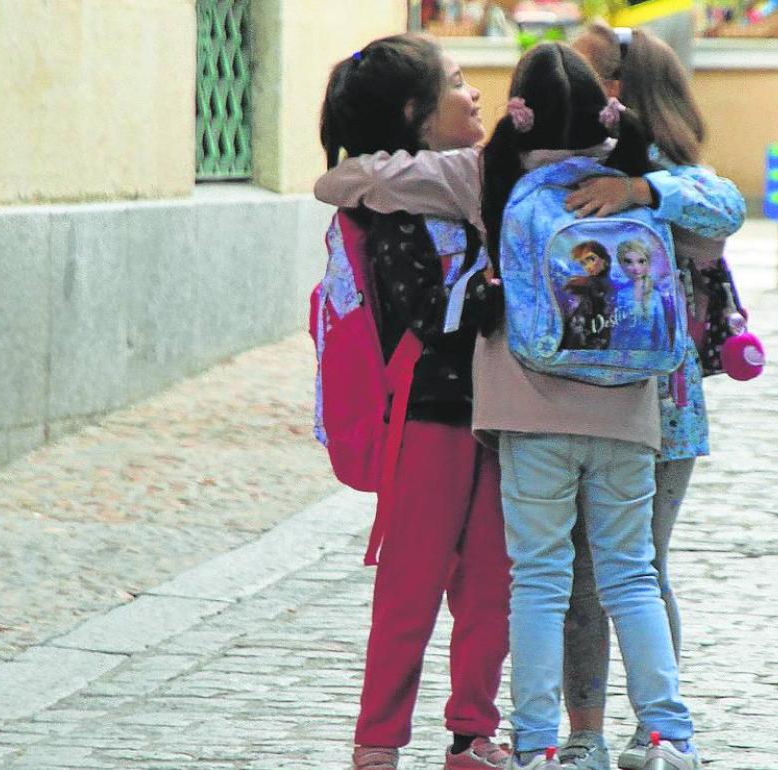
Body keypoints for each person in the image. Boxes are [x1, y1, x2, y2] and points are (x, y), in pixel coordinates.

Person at [313, 39, 743, 770]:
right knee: (629, 575)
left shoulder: (487, 175)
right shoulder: (633, 172)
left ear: (521, 113)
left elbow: (346, 183)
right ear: (605, 111)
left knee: (532, 582)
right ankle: (667, 734)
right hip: (628, 415)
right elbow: (723, 209)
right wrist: (644, 191)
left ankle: (534, 744)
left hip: (521, 416)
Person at [318, 34, 512, 770]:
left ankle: (472, 732)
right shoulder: (394, 213)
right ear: (415, 114)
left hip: (495, 414)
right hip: (428, 418)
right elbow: (431, 317)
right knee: (412, 584)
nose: (475, 94)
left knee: (491, 579)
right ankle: (379, 740)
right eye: (458, 82)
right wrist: (500, 293)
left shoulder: (457, 192)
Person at [561, 22, 747, 770]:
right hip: (575, 404)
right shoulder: (566, 163)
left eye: (575, 75)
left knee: (637, 567)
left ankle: (656, 730)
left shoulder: (665, 175)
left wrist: (641, 190)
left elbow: (723, 205)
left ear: (614, 91)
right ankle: (584, 732)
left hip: (663, 411)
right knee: (578, 571)